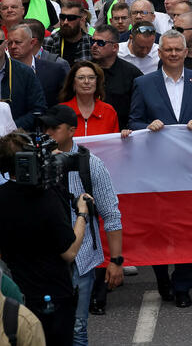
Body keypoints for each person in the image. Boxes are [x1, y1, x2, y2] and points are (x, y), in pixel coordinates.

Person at [124, 29, 192, 307]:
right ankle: (163, 278)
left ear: (186, 52)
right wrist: (146, 126)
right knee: (160, 229)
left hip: (191, 170)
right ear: (160, 53)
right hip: (157, 170)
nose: (174, 54)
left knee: (187, 229)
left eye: (178, 49)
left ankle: (183, 285)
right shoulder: (144, 83)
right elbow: (134, 120)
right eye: (169, 50)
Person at [40, 104, 124, 345]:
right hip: (42, 260)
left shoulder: (92, 165)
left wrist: (116, 262)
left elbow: (111, 214)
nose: (48, 133)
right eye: (45, 128)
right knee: (40, 328)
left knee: (77, 329)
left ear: (72, 131)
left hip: (81, 259)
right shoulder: (34, 166)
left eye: (54, 128)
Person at [0, 130, 92, 346]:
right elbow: (69, 252)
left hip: (15, 296)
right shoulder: (46, 198)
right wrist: (82, 214)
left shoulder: (2, 197)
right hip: (54, 298)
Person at [6, 21, 68, 107]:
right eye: (9, 43)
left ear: (32, 42)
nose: (12, 47)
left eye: (18, 42)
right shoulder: (3, 71)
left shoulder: (54, 70)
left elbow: (64, 103)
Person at [57, 61, 118, 136]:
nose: (86, 81)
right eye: (81, 78)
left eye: (91, 78)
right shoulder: (60, 112)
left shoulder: (109, 112)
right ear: (73, 83)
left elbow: (115, 144)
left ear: (96, 82)